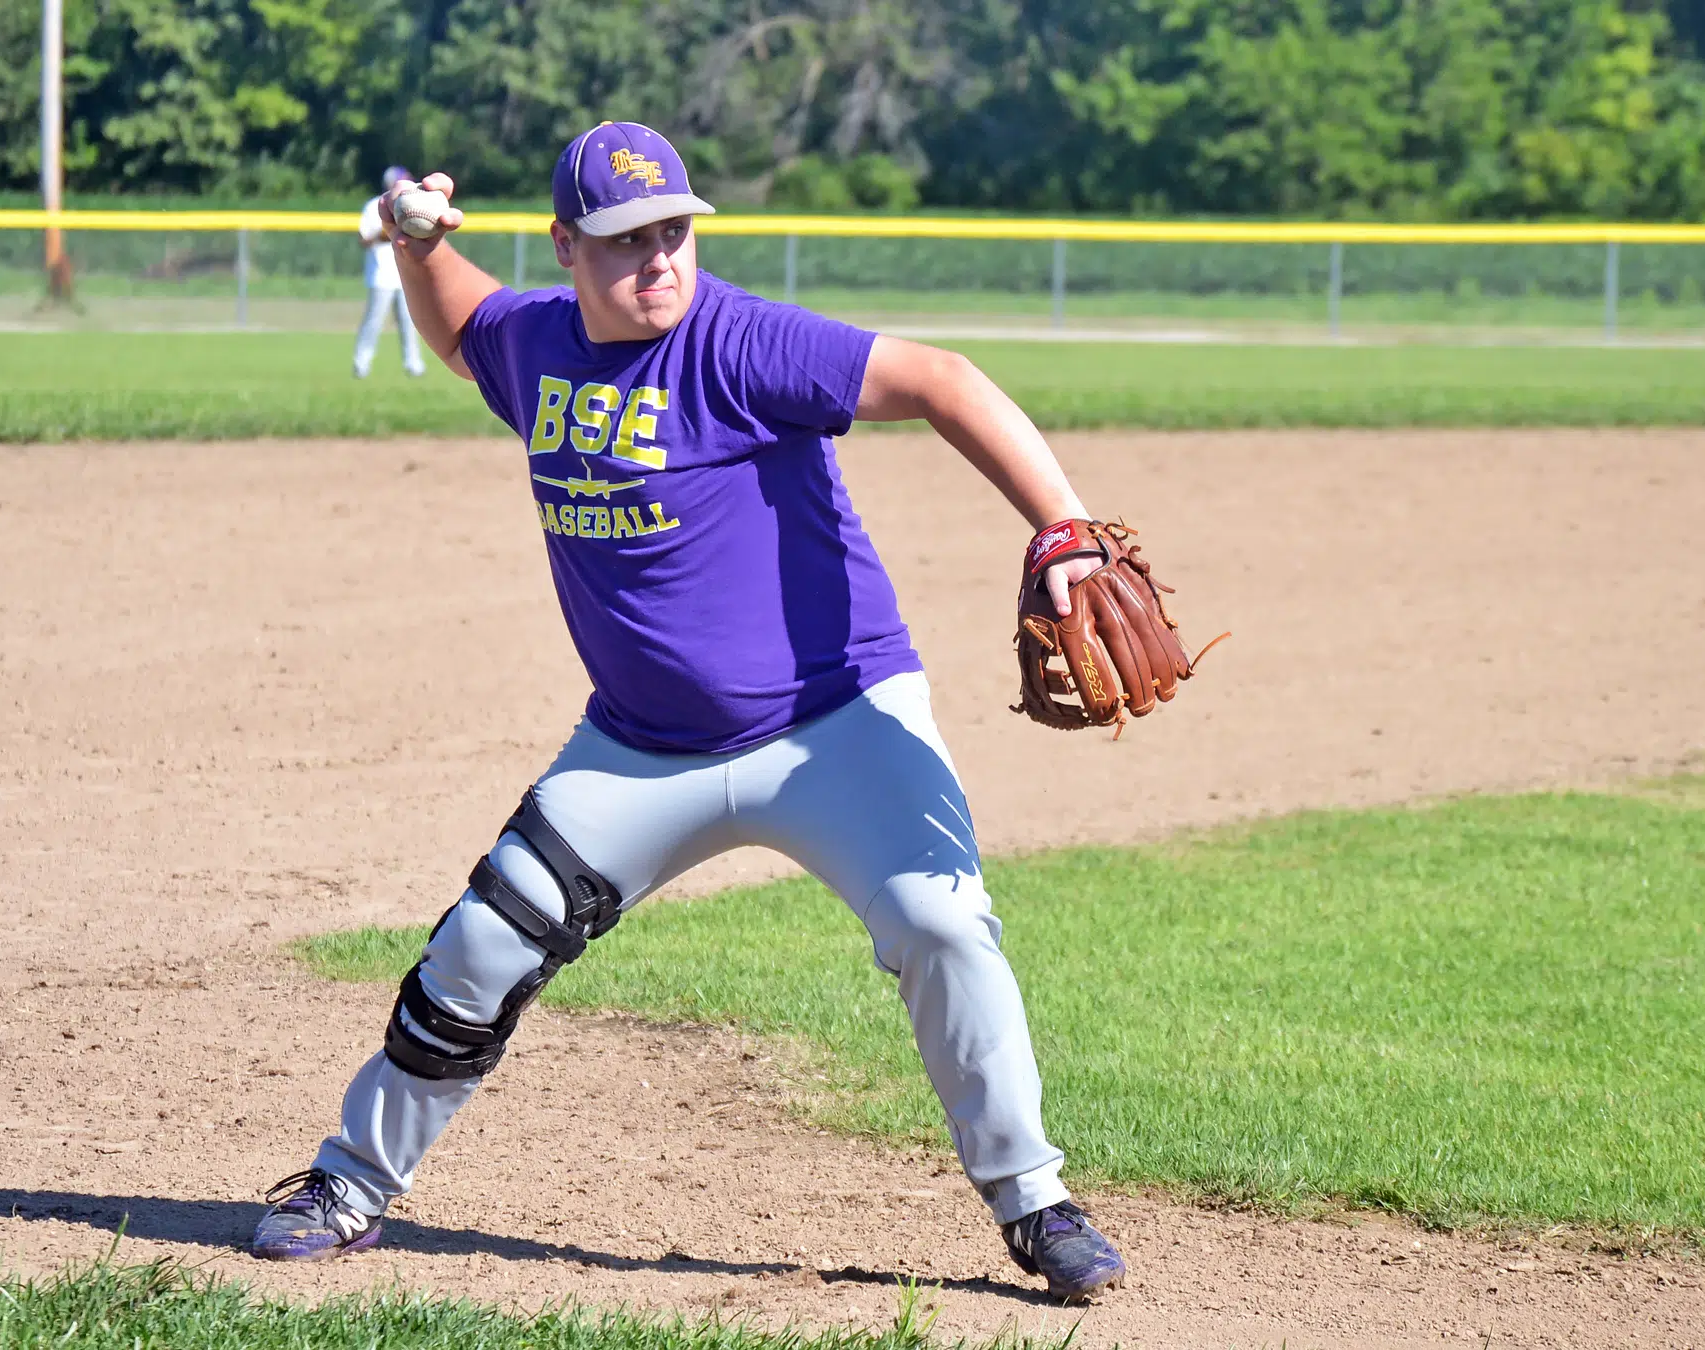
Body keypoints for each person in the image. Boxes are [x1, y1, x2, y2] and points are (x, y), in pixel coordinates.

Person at [251, 122, 1130, 1301]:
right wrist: (419, 244)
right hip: (640, 748)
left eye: (674, 232)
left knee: (944, 927)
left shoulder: (740, 341)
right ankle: (351, 1181)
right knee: (481, 944)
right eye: (623, 243)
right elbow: (462, 322)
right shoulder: (534, 341)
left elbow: (941, 380)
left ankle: (1035, 1201)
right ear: (566, 246)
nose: (658, 260)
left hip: (839, 724)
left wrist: (1062, 527)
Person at [353, 165, 425, 379]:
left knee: (408, 321)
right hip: (381, 276)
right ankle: (361, 363)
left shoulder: (411, 206)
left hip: (405, 276)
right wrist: (387, 233)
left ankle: (414, 364)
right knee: (373, 321)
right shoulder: (373, 206)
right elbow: (363, 239)